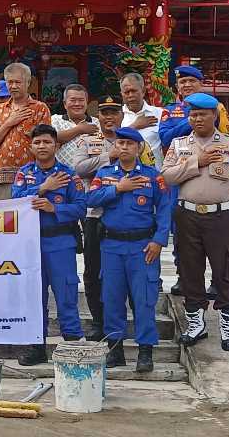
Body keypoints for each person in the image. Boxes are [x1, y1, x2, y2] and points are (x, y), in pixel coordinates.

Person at [161, 93, 229, 352]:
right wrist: (197, 162)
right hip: (188, 216)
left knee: (225, 270)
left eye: (202, 114)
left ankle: (228, 325)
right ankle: (196, 323)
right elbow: (167, 176)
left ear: (214, 115)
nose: (196, 119)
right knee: (190, 270)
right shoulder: (178, 144)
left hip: (222, 217)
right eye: (192, 114)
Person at [73, 95, 157, 340]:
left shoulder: (135, 142)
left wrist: (127, 144)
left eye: (113, 113)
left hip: (131, 218)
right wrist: (112, 155)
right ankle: (100, 322)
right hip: (95, 215)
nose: (108, 117)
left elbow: (150, 169)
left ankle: (134, 325)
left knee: (132, 274)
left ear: (122, 116)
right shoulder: (88, 140)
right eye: (103, 113)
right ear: (97, 117)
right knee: (94, 272)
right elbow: (80, 169)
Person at [86, 127, 170, 372]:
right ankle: (115, 350)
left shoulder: (154, 177)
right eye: (120, 143)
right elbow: (90, 200)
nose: (124, 147)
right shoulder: (104, 174)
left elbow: (165, 210)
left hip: (143, 247)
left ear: (139, 148)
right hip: (111, 246)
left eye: (130, 144)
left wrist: (158, 241)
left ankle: (145, 351)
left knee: (144, 299)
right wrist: (117, 189)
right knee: (112, 298)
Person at [12, 124, 86, 365]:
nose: (42, 146)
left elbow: (81, 207)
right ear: (31, 147)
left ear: (56, 145)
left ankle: (73, 345)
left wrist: (56, 208)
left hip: (61, 242)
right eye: (37, 143)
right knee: (34, 297)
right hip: (31, 244)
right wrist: (43, 188)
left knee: (66, 294)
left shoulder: (68, 174)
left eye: (47, 142)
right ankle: (37, 347)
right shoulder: (24, 173)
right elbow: (15, 202)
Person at [160, 65, 229, 297]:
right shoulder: (169, 111)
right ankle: (184, 276)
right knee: (181, 232)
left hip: (216, 175)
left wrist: (204, 114)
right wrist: (194, 117)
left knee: (218, 240)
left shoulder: (218, 108)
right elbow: (165, 136)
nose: (187, 85)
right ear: (176, 87)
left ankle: (215, 280)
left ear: (200, 84)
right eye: (183, 82)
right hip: (180, 176)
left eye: (192, 81)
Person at [0, 63, 51, 200]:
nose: (13, 86)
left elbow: (47, 141)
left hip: (33, 174)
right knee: (5, 218)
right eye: (10, 82)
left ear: (28, 83)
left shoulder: (40, 108)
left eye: (18, 82)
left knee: (31, 218)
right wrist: (9, 123)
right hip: (4, 176)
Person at [120, 72, 164, 168]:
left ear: (143, 91)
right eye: (126, 92)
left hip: (155, 175)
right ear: (122, 94)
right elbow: (113, 146)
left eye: (134, 91)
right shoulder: (118, 116)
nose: (130, 95)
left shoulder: (159, 113)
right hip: (125, 177)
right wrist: (134, 126)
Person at [51, 84, 99, 167]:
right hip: (61, 176)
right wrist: (79, 129)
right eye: (73, 100)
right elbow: (51, 138)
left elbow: (98, 150)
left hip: (88, 176)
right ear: (65, 104)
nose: (77, 104)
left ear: (86, 102)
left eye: (81, 100)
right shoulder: (55, 120)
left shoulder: (96, 122)